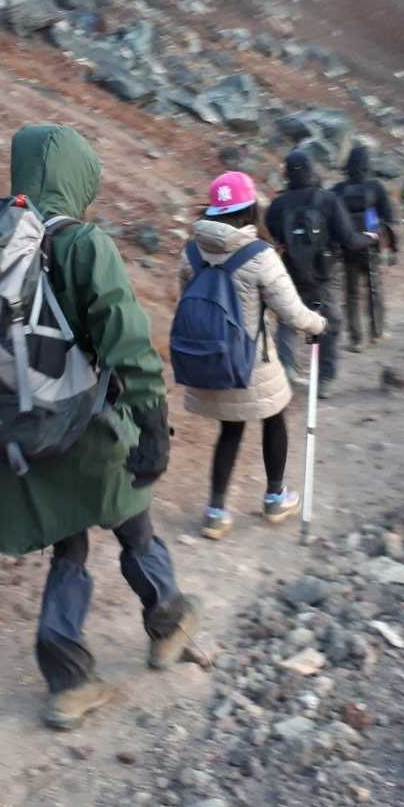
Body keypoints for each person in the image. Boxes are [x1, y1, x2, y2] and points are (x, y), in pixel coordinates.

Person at [0, 123, 199, 731]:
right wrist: (153, 425)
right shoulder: (82, 244)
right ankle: (168, 623)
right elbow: (125, 340)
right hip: (88, 422)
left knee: (69, 546)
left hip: (25, 426)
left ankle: (67, 681)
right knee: (135, 529)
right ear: (78, 178)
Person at [178, 172, 328, 540]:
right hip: (252, 360)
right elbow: (291, 313)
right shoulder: (259, 255)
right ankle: (275, 497)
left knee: (230, 429)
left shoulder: (191, 252)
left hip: (211, 357)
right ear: (250, 209)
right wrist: (318, 324)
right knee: (274, 417)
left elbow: (187, 299)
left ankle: (215, 511)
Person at [264, 149, 372, 399]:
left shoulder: (278, 205)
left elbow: (274, 234)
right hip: (323, 275)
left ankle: (287, 370)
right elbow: (349, 239)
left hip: (290, 273)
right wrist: (369, 238)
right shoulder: (328, 200)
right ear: (311, 170)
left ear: (286, 174)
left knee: (287, 321)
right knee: (330, 323)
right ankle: (324, 380)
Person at [332, 144, 399, 352]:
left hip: (348, 247)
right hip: (371, 246)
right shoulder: (375, 187)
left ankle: (356, 339)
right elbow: (389, 219)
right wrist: (393, 247)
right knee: (374, 290)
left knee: (351, 294)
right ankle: (377, 332)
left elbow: (329, 217)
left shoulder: (338, 189)